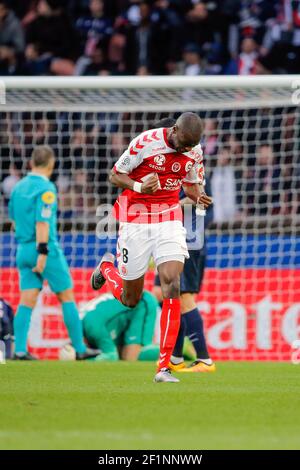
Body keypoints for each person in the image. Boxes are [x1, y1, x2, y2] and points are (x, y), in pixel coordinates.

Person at [90, 112, 213, 383]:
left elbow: (191, 185)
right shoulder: (145, 142)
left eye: (190, 146)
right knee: (130, 299)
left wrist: (199, 196)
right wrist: (138, 185)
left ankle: (164, 367)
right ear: (175, 129)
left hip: (169, 216)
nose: (185, 150)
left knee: (172, 283)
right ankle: (107, 269)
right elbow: (115, 175)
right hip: (135, 218)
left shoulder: (194, 151)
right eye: (182, 144)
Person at [8, 145, 99, 360]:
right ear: (51, 164)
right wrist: (42, 253)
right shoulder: (46, 189)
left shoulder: (18, 187)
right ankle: (79, 349)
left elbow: (13, 219)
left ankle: (19, 351)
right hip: (45, 250)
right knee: (66, 295)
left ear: (31, 163)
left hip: (22, 248)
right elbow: (42, 222)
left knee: (27, 299)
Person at [152, 117, 215, 373]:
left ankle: (204, 358)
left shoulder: (189, 163)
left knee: (183, 297)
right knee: (167, 294)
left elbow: (199, 198)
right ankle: (176, 357)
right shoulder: (169, 165)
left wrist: (171, 206)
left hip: (189, 239)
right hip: (176, 237)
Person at [75, 291, 159, 362]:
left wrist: (80, 360)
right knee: (122, 354)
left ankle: (170, 352)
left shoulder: (92, 329)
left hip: (141, 303)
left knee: (130, 357)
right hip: (127, 308)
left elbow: (111, 356)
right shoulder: (83, 323)